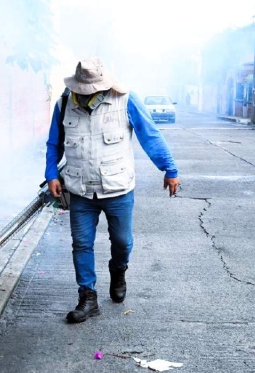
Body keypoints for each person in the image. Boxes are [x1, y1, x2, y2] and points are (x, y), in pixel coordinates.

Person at [44, 57, 179, 324]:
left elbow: (149, 135)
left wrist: (169, 169)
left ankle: (118, 270)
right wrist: (51, 174)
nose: (84, 94)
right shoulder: (64, 104)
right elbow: (53, 143)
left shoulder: (126, 100)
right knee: (81, 244)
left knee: (121, 242)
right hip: (80, 189)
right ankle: (88, 296)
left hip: (118, 189)